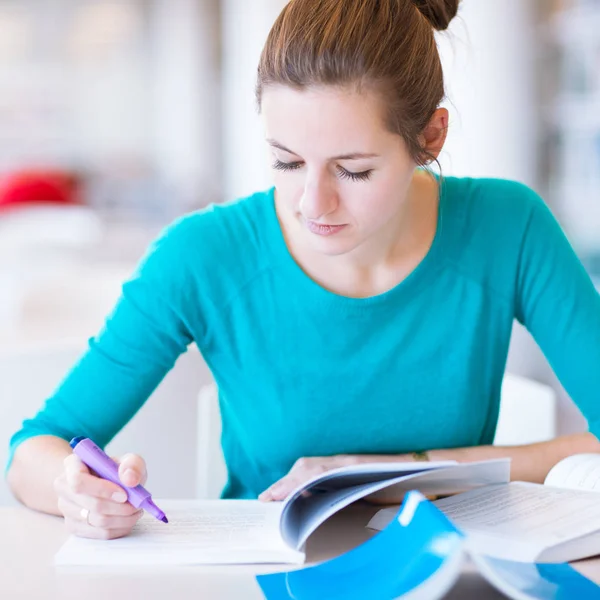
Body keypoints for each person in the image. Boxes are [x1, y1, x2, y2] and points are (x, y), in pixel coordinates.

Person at [6, 0, 600, 541]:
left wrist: (402, 471)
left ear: (430, 136)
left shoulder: (508, 227)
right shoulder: (203, 255)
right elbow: (34, 448)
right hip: (260, 574)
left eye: (355, 170)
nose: (312, 204)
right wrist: (74, 489)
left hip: (447, 570)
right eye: (286, 162)